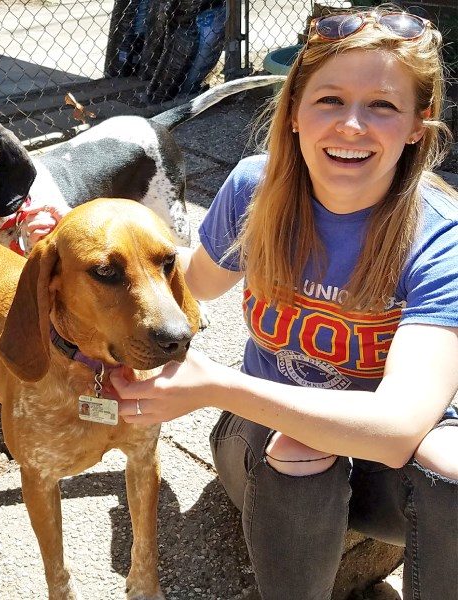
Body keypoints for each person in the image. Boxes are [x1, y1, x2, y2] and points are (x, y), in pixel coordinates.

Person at [109, 7, 458, 599]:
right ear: (294, 111)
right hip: (267, 446)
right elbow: (192, 281)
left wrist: (215, 385)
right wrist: (85, 240)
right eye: (329, 100)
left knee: (452, 465)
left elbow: (398, 427)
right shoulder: (255, 189)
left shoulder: (440, 235)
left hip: (386, 470)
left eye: (382, 105)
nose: (352, 125)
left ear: (417, 125)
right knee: (302, 445)